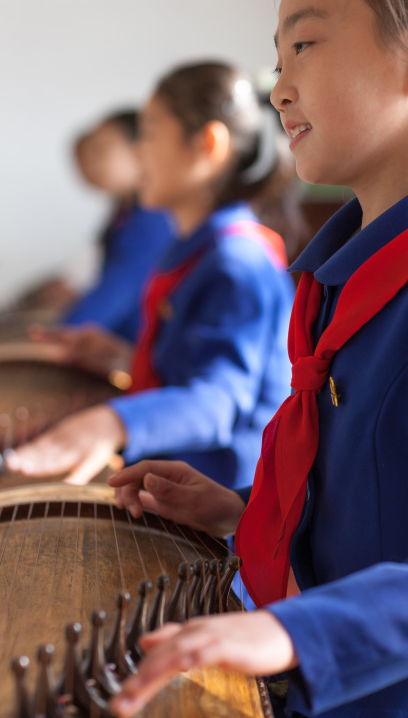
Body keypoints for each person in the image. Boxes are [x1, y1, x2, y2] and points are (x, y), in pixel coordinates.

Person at [105, 1, 408, 717]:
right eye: (279, 60)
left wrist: (291, 630)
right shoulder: (335, 277)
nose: (278, 88)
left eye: (304, 44)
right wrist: (240, 511)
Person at [6, 62, 295, 490]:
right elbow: (190, 373)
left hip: (221, 508)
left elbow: (219, 401)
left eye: (151, 132)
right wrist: (122, 357)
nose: (139, 152)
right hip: (174, 478)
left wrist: (111, 422)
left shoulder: (239, 264)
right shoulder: (197, 251)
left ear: (206, 147)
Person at [21, 111, 174, 341]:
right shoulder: (125, 212)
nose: (89, 163)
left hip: (134, 350)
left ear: (142, 152)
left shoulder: (152, 221)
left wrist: (57, 336)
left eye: (100, 150)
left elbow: (114, 295)